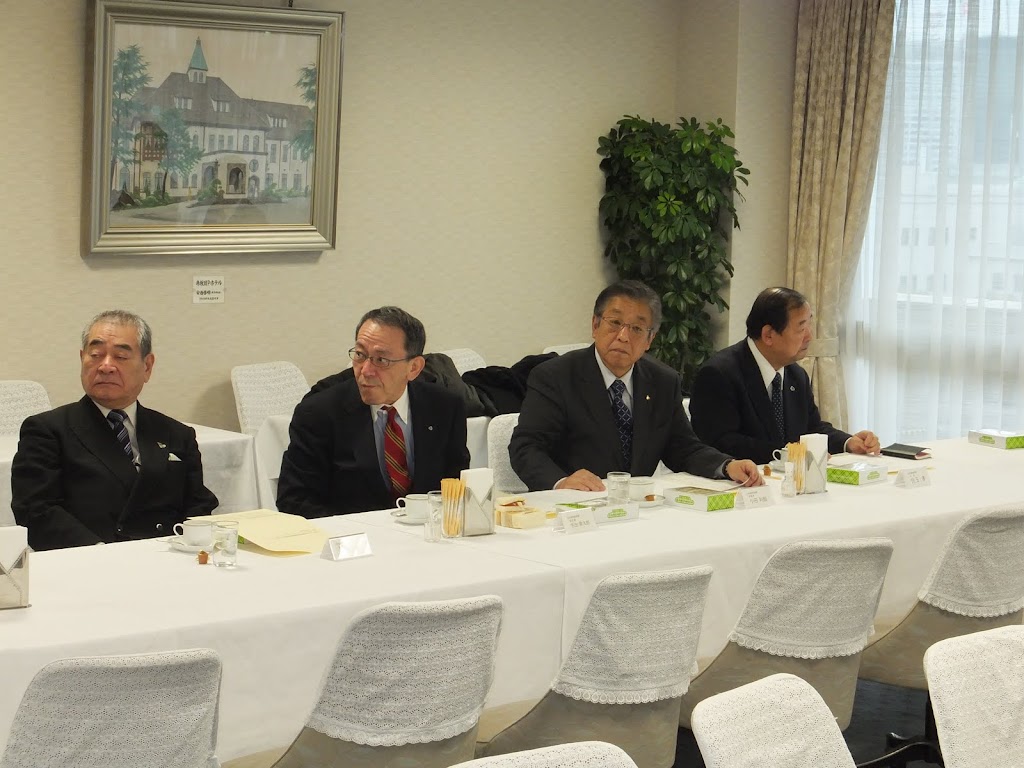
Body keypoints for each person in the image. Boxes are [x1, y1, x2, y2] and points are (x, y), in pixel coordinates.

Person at [509, 280, 763, 491]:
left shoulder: (663, 381)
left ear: (650, 339)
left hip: (637, 508)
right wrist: (561, 482)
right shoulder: (555, 377)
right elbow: (526, 447)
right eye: (615, 323)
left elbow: (682, 447)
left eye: (637, 329)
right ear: (595, 325)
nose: (623, 336)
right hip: (574, 509)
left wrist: (726, 466)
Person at [11, 310, 218, 550]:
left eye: (120, 356)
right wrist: (102, 553)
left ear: (147, 366)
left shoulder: (176, 433)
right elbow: (36, 510)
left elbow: (198, 505)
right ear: (82, 359)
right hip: (89, 557)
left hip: (168, 556)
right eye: (95, 355)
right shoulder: (47, 430)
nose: (106, 366)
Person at [277, 306, 470, 517]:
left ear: (414, 368)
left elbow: (454, 487)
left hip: (425, 531)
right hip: (352, 534)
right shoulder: (318, 413)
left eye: (381, 360)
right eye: (360, 355)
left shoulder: (444, 407)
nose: (366, 371)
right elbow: (294, 500)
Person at [689, 286, 880, 465]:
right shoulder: (719, 374)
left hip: (786, 479)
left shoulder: (796, 375)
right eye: (801, 328)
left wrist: (848, 442)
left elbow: (812, 428)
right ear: (768, 335)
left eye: (809, 325)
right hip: (740, 482)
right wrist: (788, 454)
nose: (809, 336)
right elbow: (721, 441)